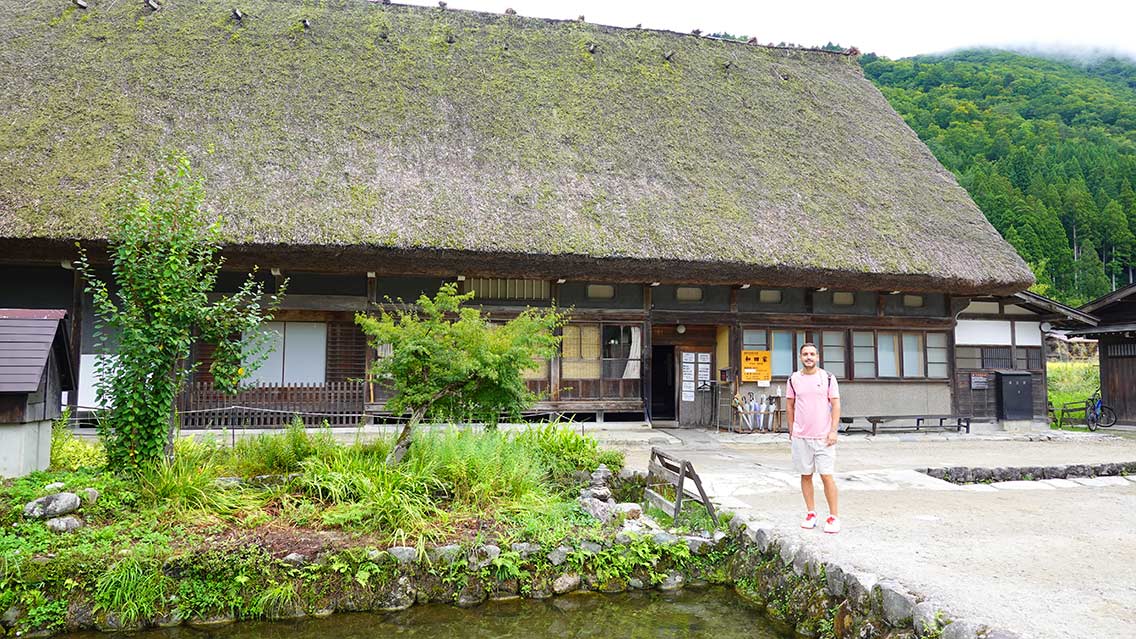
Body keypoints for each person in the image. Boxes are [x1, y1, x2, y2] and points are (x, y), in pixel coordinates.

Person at [785, 342, 841, 534]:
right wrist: (792, 430)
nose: (808, 357)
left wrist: (833, 431)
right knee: (805, 474)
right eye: (805, 354)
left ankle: (833, 517)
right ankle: (811, 513)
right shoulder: (793, 379)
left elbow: (835, 404)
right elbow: (790, 405)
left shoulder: (827, 378)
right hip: (801, 436)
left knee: (826, 476)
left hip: (824, 436)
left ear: (817, 357)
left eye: (812, 354)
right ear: (800, 357)